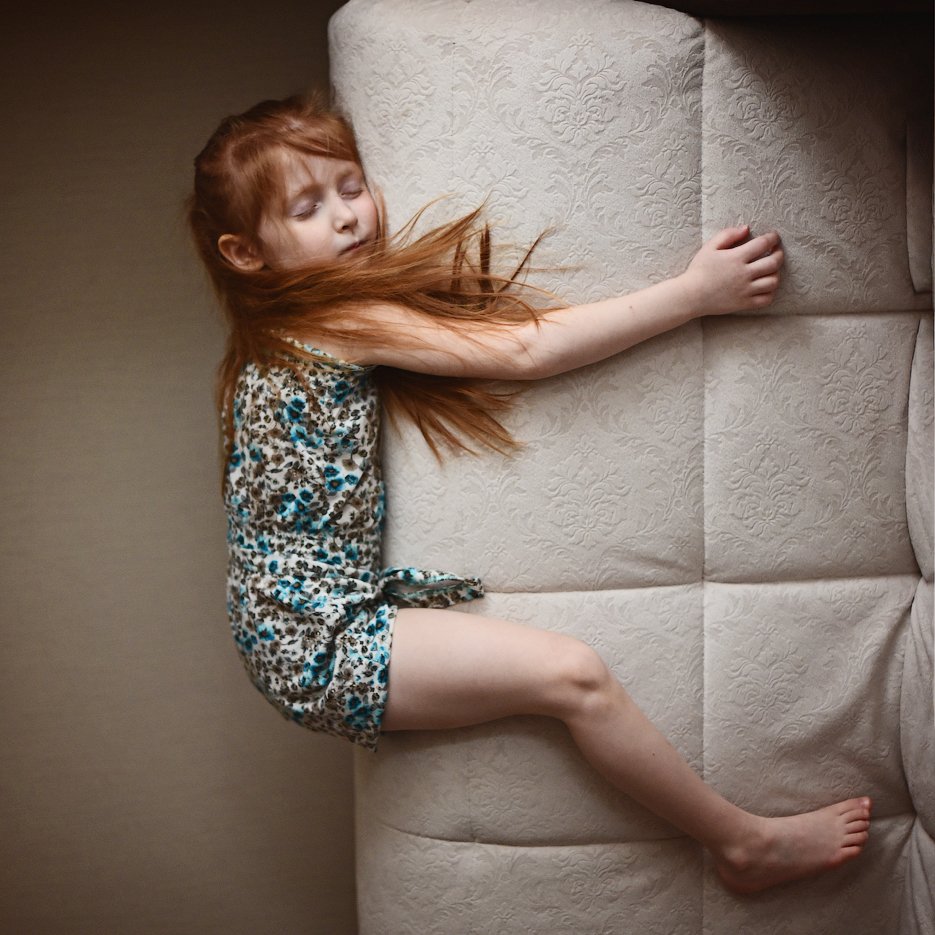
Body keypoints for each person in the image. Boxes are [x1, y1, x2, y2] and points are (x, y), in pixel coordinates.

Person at [189, 94, 871, 894]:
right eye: (307, 208)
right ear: (244, 252)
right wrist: (692, 294)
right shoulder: (331, 320)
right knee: (573, 675)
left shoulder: (271, 339)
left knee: (568, 675)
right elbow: (522, 351)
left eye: (351, 186)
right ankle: (742, 844)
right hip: (315, 639)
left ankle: (742, 843)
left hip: (299, 628)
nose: (347, 216)